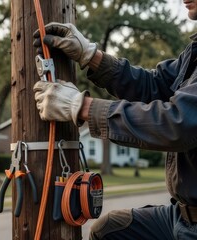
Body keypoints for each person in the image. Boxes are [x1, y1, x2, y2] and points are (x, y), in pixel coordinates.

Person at [32, 1, 197, 239]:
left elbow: (178, 123)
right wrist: (92, 56)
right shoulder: (194, 52)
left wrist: (82, 107)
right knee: (110, 230)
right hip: (180, 216)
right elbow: (155, 86)